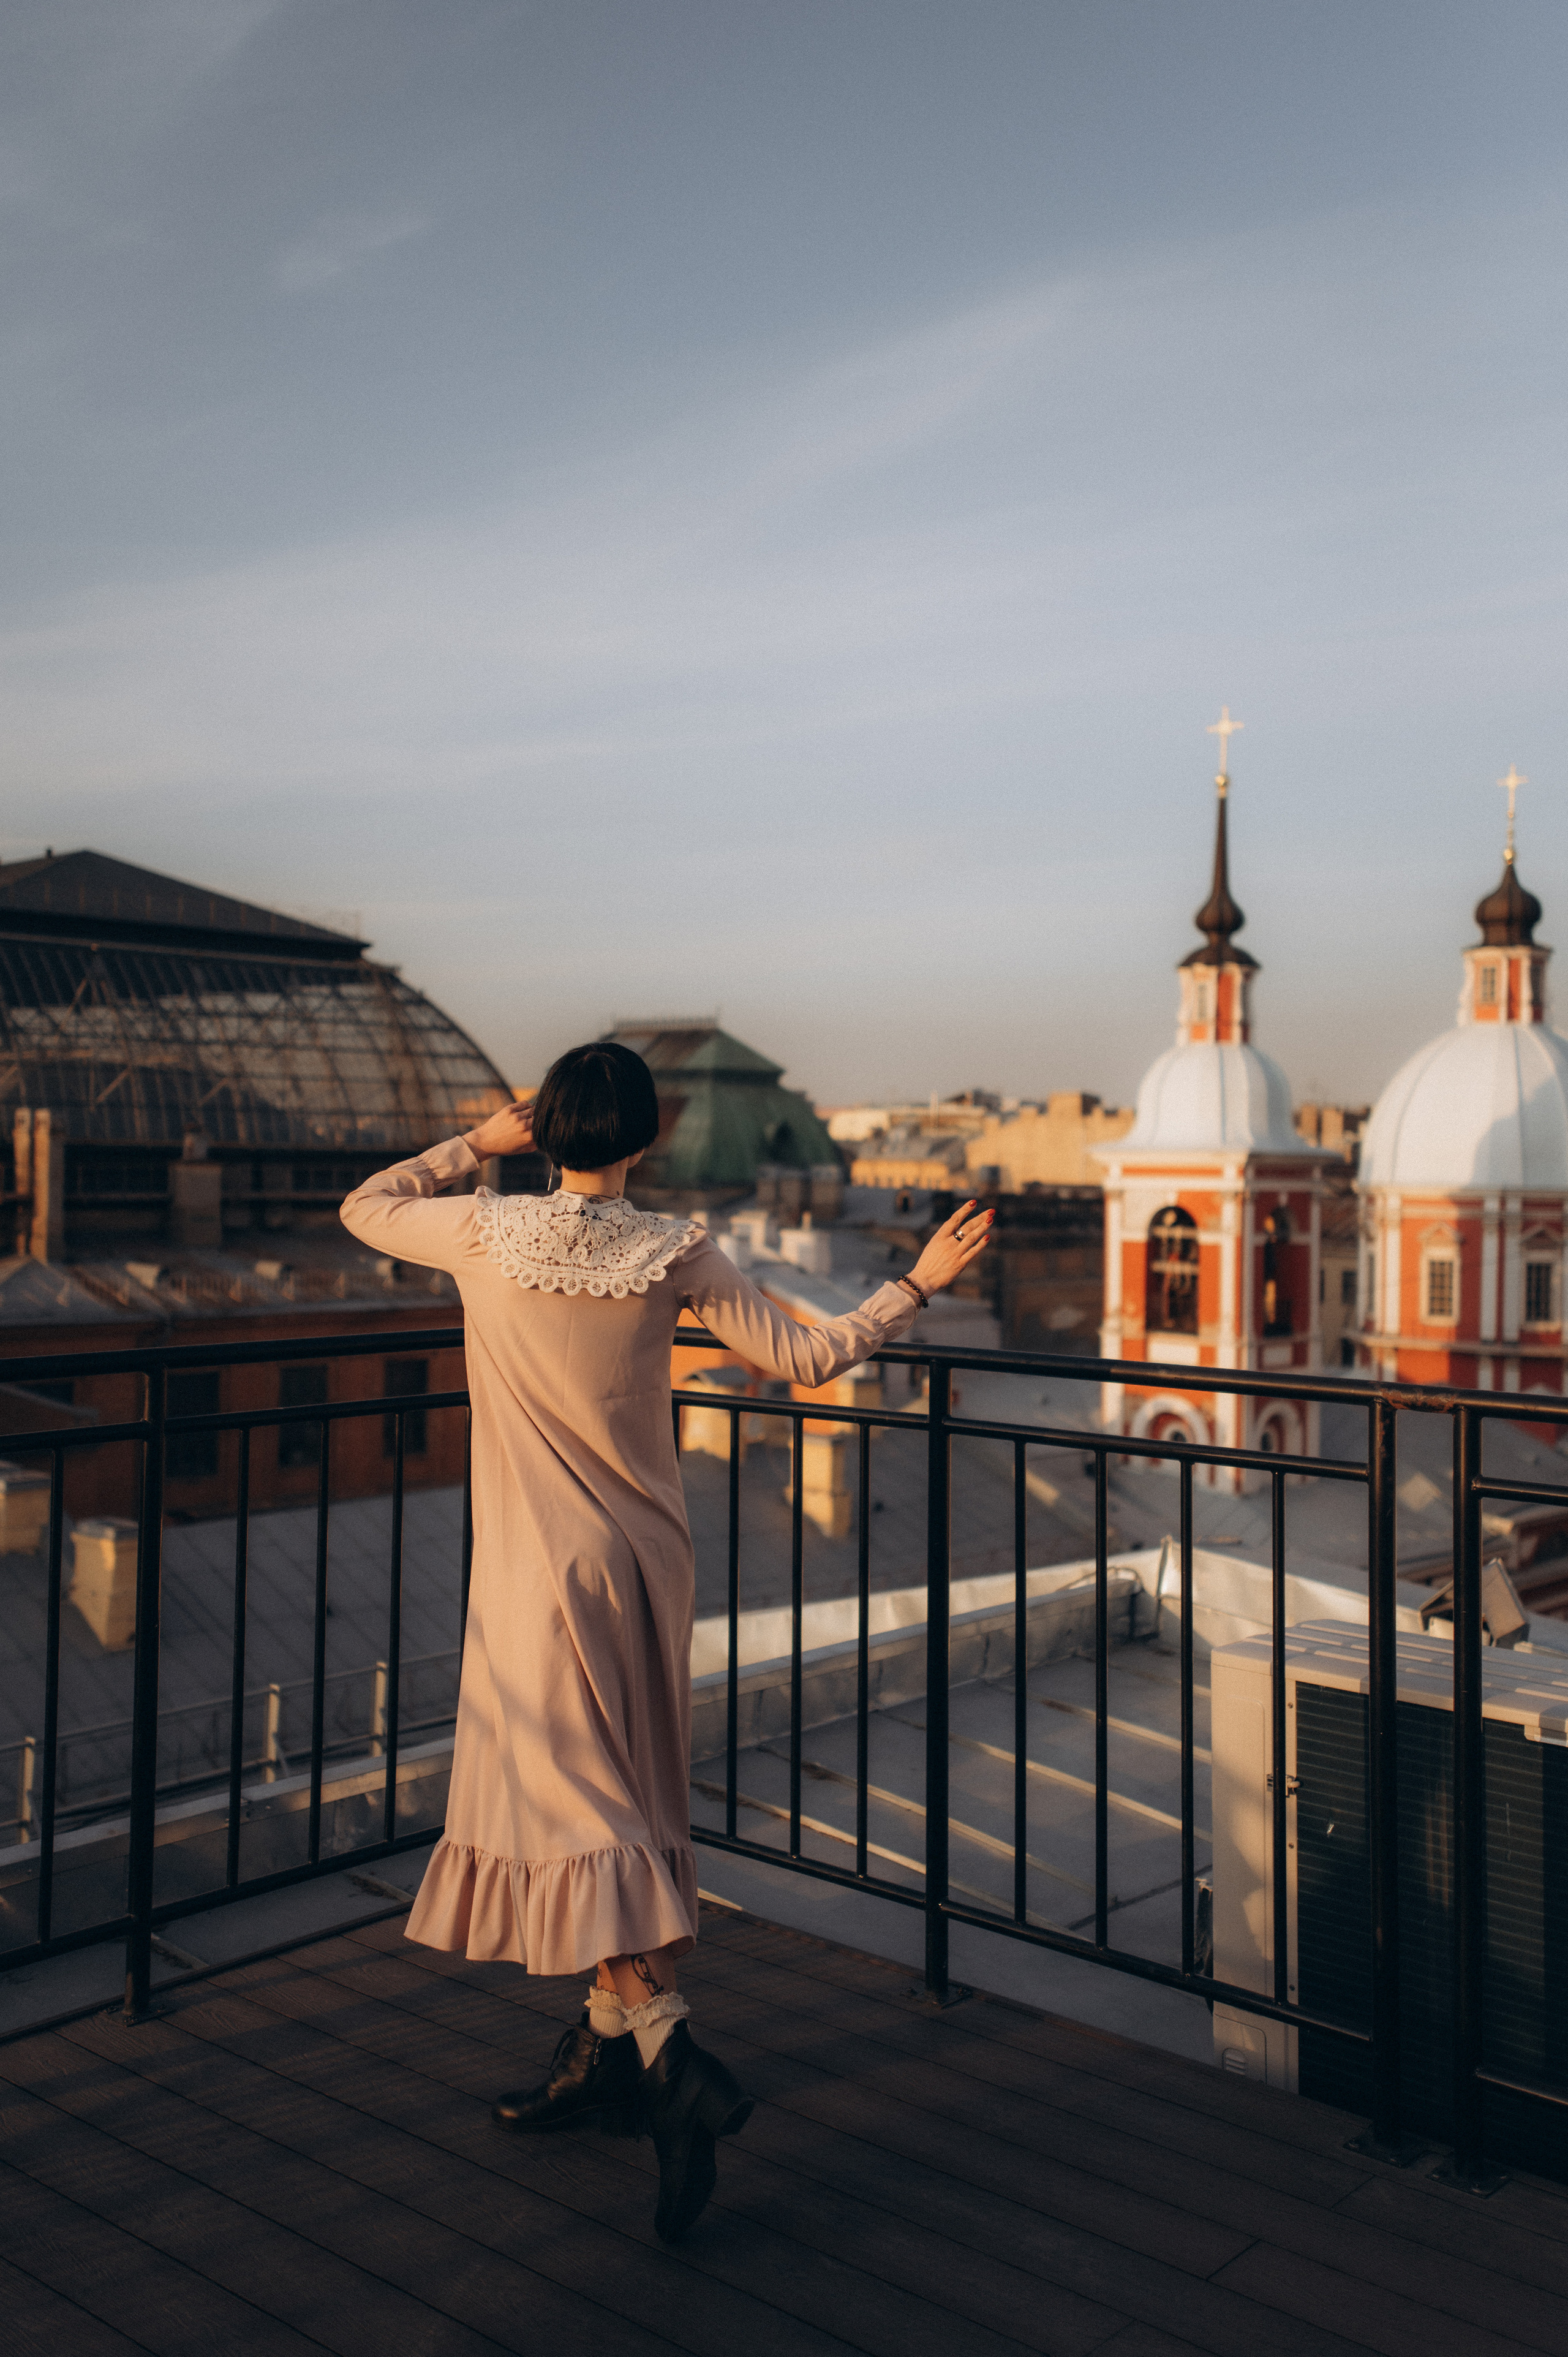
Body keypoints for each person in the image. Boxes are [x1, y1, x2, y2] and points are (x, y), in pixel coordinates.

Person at [340, 1042, 992, 2241]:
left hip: (537, 1570)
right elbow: (806, 1359)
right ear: (646, 1140)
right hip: (645, 1560)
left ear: (545, 1132)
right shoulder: (676, 1250)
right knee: (625, 1794)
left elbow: (364, 1206)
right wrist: (914, 1283)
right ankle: (603, 2055)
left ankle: (666, 2049)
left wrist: (473, 1145)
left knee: (574, 1804)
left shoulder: (481, 1231)